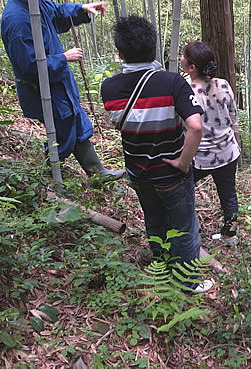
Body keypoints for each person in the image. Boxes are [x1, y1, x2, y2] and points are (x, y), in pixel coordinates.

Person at [101, 15, 213, 294]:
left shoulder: (109, 88)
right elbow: (195, 127)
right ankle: (187, 283)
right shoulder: (172, 82)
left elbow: (119, 122)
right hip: (172, 174)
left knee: (154, 220)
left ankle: (160, 269)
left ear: (121, 53)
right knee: (185, 226)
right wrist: (183, 163)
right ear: (154, 49)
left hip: (138, 172)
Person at [0, 0, 123, 180]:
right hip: (43, 90)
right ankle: (48, 179)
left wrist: (82, 9)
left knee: (76, 122)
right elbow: (28, 67)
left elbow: (57, 11)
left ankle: (98, 173)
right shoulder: (17, 20)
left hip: (57, 84)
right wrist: (63, 58)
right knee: (63, 133)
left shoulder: (34, 3)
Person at [181, 41, 241, 246]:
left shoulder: (185, 90)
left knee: (184, 191)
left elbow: (183, 125)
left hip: (200, 156)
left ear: (192, 67)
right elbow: (233, 116)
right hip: (227, 151)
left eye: (183, 56)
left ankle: (191, 232)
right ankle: (230, 236)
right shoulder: (223, 84)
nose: (180, 59)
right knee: (229, 195)